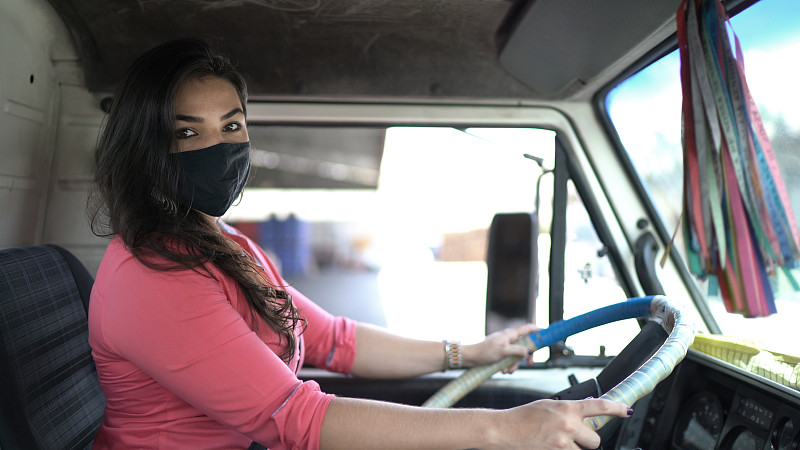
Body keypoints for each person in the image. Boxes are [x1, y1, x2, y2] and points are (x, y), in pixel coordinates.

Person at [87, 38, 631, 450]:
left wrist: (471, 351)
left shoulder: (220, 242)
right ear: (145, 147)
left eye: (232, 126)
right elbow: (293, 417)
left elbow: (333, 340)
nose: (219, 147)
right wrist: (503, 429)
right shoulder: (150, 276)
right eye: (188, 132)